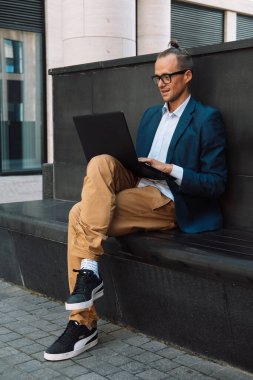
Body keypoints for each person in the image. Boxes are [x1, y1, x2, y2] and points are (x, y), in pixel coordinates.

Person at [44, 40, 227, 361]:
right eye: (157, 78)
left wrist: (169, 168)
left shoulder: (207, 118)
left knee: (78, 214)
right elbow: (130, 164)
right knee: (101, 160)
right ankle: (89, 274)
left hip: (169, 199)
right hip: (137, 183)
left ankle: (82, 323)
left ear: (187, 76)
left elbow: (216, 183)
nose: (162, 83)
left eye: (168, 76)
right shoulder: (149, 116)